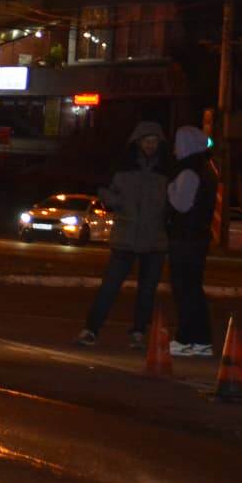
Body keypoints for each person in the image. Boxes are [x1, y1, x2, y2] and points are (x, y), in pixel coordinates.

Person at [77, 121, 170, 348]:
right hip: (125, 238)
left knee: (147, 291)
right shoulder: (123, 169)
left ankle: (138, 332)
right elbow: (103, 189)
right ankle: (91, 329)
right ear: (137, 142)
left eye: (154, 141)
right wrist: (117, 202)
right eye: (147, 141)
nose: (150, 145)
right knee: (110, 287)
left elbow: (173, 201)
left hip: (154, 241)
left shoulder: (165, 172)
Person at [166, 125, 218, 357]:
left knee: (184, 289)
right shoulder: (206, 168)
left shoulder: (189, 171)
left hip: (185, 237)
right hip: (197, 237)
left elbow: (181, 204)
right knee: (192, 288)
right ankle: (200, 339)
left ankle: (187, 338)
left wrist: (168, 188)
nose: (175, 150)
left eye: (178, 144)